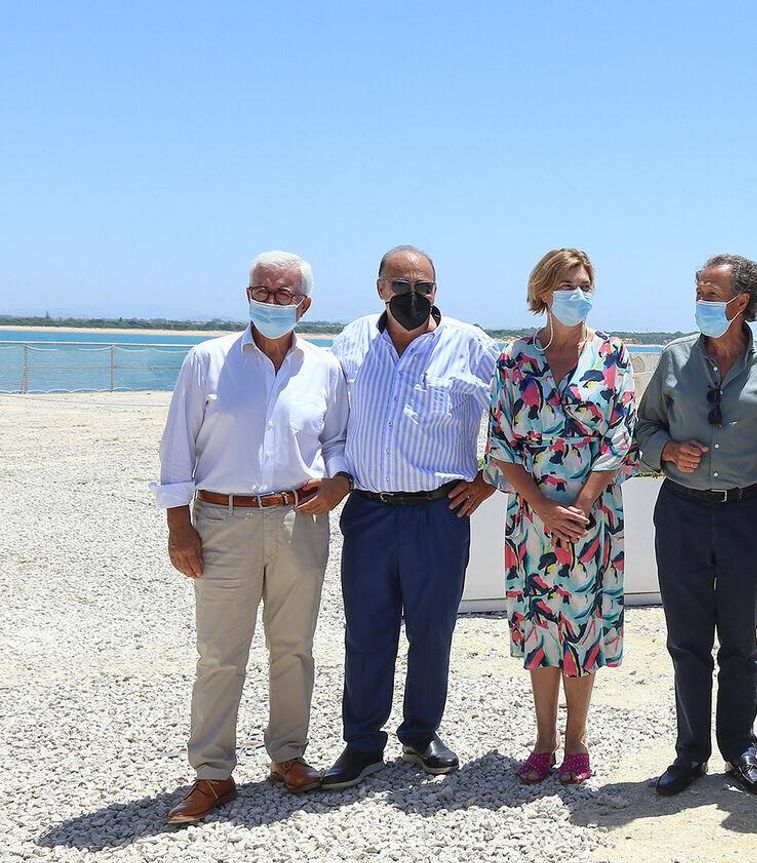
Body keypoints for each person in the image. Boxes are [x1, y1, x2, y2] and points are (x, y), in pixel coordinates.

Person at [155, 251, 350, 824]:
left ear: (304, 305)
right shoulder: (206, 360)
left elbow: (337, 440)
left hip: (300, 522)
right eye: (260, 292)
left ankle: (288, 755)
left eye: (282, 293)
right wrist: (178, 525)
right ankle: (212, 773)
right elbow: (177, 448)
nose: (269, 302)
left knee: (294, 648)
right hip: (221, 521)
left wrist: (338, 482)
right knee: (220, 654)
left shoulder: (325, 368)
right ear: (247, 296)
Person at [321, 245, 501, 789]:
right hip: (369, 512)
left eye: (424, 286)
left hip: (438, 515)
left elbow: (516, 416)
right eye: (401, 286)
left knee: (432, 631)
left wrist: (487, 480)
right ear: (380, 288)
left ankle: (421, 733)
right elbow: (330, 423)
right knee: (367, 631)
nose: (413, 296)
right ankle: (361, 743)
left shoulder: (470, 346)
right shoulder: (351, 341)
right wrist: (336, 472)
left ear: (437, 290)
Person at [634, 253, 757, 797]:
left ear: (742, 302)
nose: (702, 300)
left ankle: (740, 750)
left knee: (740, 642)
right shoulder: (674, 357)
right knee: (685, 640)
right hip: (680, 511)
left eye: (712, 291)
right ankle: (689, 753)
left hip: (746, 515)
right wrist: (666, 450)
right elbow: (643, 429)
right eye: (698, 290)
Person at [484, 248, 637, 785]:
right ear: (544, 292)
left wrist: (585, 501)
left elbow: (622, 435)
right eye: (568, 284)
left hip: (594, 518)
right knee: (540, 627)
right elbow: (500, 442)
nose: (578, 292)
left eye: (586, 283)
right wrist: (543, 506)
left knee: (583, 627)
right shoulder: (513, 358)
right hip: (532, 519)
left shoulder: (613, 355)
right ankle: (543, 740)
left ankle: (577, 741)